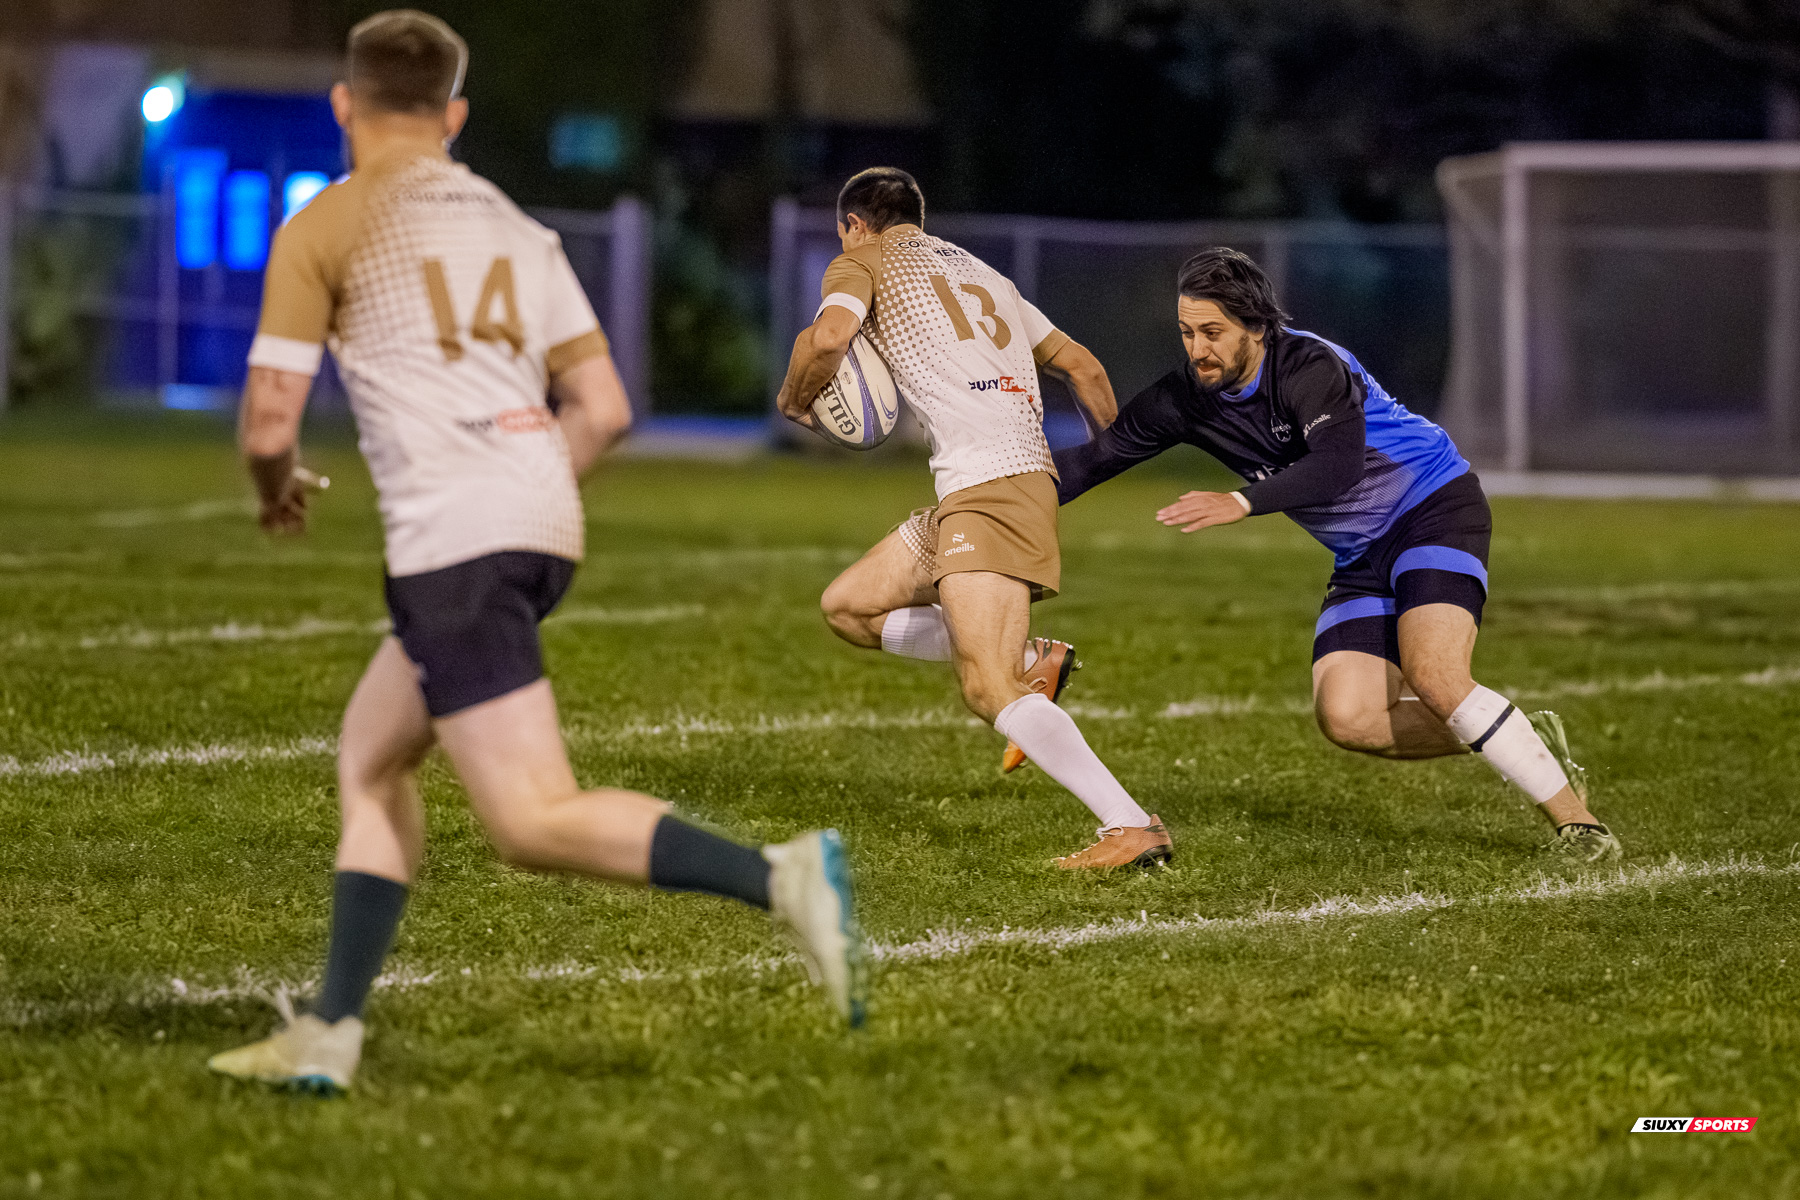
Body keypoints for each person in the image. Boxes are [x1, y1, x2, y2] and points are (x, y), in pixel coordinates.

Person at [209, 10, 864, 1096]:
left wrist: (276, 493)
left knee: (529, 820)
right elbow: (603, 408)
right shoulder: (520, 228)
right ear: (455, 116)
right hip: (542, 515)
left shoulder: (321, 226)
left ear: (344, 105)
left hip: (455, 542)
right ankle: (329, 1031)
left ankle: (782, 877)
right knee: (371, 758)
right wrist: (522, 484)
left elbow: (270, 423)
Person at [1053, 247, 1622, 862]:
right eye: (1187, 333)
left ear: (1256, 325)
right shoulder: (1187, 397)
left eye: (1213, 332)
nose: (1198, 350)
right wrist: (989, 501)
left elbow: (1339, 466)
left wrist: (1242, 503)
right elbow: (1093, 461)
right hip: (1360, 555)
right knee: (1347, 716)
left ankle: (1581, 828)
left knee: (1434, 676)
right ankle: (1521, 735)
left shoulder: (1308, 364)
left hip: (1433, 510)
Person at [777, 167, 1171, 870]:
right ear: (916, 218)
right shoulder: (985, 275)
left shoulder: (863, 259)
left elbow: (828, 339)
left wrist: (795, 400)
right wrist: (1103, 458)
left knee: (985, 685)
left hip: (990, 491)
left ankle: (1130, 826)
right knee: (848, 607)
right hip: (985, 488)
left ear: (853, 224)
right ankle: (1032, 660)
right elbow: (1083, 367)